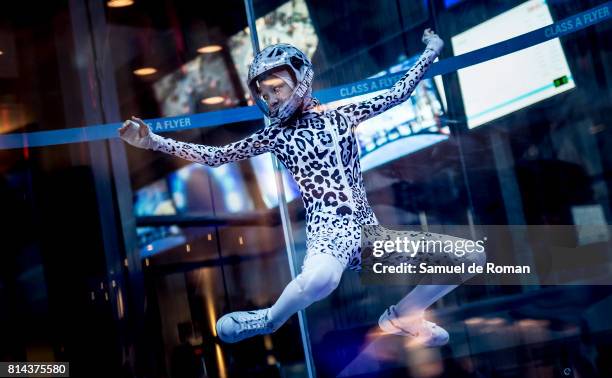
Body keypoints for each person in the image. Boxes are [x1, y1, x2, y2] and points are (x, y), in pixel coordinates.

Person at [119, 28, 486, 347]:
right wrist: (154, 141)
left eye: (277, 87)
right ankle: (268, 319)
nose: (271, 98)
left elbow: (398, 92)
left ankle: (405, 316)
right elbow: (218, 155)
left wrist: (431, 51)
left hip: (372, 235)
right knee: (321, 279)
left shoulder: (344, 115)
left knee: (471, 257)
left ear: (301, 78)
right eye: (265, 92)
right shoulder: (277, 135)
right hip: (329, 235)